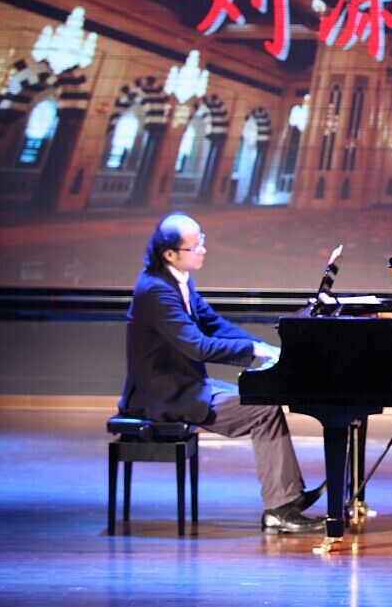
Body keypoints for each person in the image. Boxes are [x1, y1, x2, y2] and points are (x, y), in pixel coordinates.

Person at [120, 212, 325, 534]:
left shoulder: (177, 280)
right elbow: (198, 347)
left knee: (262, 400)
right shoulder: (156, 291)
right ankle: (279, 508)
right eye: (194, 245)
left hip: (185, 384)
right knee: (262, 410)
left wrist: (263, 347)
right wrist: (254, 351)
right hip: (164, 396)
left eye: (201, 240)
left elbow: (213, 323)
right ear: (169, 254)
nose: (203, 249)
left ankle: (287, 497)